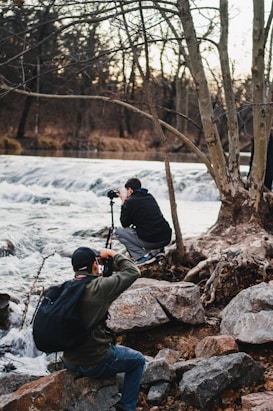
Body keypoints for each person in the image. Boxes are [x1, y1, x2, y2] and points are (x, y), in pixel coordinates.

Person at [63, 246, 145, 411]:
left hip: (70, 361)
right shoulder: (101, 287)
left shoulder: (63, 289)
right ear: (95, 265)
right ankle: (127, 407)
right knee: (138, 361)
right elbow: (133, 271)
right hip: (95, 362)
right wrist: (114, 255)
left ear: (73, 268)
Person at [115, 178, 172, 266]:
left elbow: (124, 224)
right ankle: (159, 251)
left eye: (126, 190)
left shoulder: (129, 202)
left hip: (151, 241)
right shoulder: (149, 197)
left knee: (118, 232)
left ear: (130, 190)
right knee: (151, 225)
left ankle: (142, 257)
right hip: (166, 237)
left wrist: (123, 203)